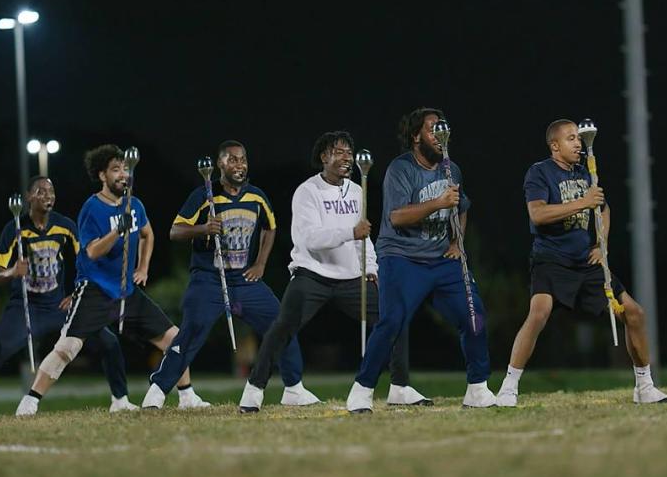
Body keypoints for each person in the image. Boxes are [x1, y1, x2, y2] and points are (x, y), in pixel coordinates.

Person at [238, 131, 426, 413]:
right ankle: (253, 391)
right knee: (282, 328)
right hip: (312, 274)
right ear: (324, 157)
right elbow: (310, 239)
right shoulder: (307, 192)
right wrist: (350, 232)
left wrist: (371, 268)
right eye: (339, 152)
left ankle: (399, 386)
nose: (346, 158)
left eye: (349, 152)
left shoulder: (356, 189)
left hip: (352, 278)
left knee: (395, 316)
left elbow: (365, 238)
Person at [15, 144, 209, 416]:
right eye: (115, 169)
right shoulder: (92, 208)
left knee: (175, 338)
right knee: (68, 347)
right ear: (102, 175)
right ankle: (30, 401)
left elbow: (148, 235)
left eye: (125, 169)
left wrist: (143, 267)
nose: (123, 174)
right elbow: (92, 251)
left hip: (126, 291)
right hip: (94, 288)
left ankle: (187, 395)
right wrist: (118, 229)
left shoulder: (136, 205)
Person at [495, 119, 667, 406]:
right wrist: (582, 202)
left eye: (579, 138)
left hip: (586, 263)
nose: (578, 143)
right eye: (571, 138)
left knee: (634, 313)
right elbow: (537, 215)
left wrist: (602, 246)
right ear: (555, 146)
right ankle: (508, 387)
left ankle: (644, 386)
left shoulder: (585, 173)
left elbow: (604, 208)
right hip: (551, 259)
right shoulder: (539, 173)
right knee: (539, 313)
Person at [142, 140, 319, 409]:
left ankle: (294, 388)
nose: (240, 165)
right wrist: (203, 229)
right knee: (192, 332)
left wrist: (260, 263)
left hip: (244, 281)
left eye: (243, 159)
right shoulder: (204, 196)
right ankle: (157, 391)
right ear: (220, 165)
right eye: (233, 160)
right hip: (208, 280)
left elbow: (269, 228)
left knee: (282, 323)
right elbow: (175, 231)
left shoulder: (257, 196)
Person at [345, 108, 495, 413]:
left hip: (441, 259)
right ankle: (361, 390)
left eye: (444, 129)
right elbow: (397, 217)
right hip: (402, 256)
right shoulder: (400, 169)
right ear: (416, 137)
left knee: (474, 316)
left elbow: (462, 206)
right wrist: (438, 202)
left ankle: (478, 388)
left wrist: (457, 242)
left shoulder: (452, 169)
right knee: (392, 321)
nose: (440, 136)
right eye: (432, 130)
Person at [0, 176, 131, 420]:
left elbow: (88, 260)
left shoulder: (65, 225)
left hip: (59, 305)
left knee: (109, 342)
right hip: (27, 306)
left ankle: (120, 400)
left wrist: (76, 293)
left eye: (51, 191)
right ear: (29, 198)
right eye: (41, 191)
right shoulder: (15, 228)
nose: (48, 196)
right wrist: (12, 272)